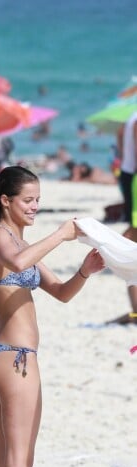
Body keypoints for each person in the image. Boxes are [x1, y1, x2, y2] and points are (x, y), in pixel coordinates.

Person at [0, 166, 104, 467]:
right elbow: (17, 260)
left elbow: (62, 294)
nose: (35, 206)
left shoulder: (20, 242)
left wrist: (85, 270)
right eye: (29, 199)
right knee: (16, 464)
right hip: (13, 358)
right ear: (6, 201)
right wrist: (61, 235)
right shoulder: (0, 236)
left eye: (38, 199)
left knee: (10, 463)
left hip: (11, 358)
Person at [109, 111, 137, 323]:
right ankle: (110, 254)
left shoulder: (131, 117)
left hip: (130, 171)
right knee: (133, 234)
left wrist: (123, 155)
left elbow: (120, 134)